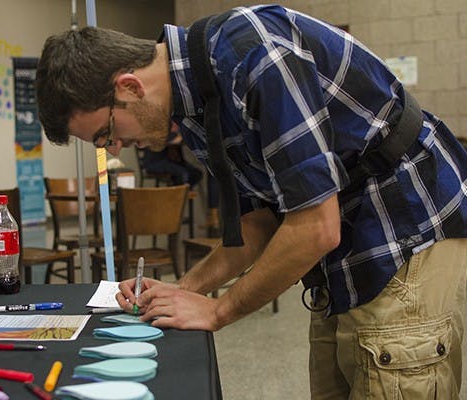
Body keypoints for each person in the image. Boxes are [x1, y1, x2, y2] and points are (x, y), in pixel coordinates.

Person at [35, 5, 467, 398]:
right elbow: (258, 224)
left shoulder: (256, 57)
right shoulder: (195, 106)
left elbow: (316, 225)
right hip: (342, 246)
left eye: (106, 134)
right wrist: (180, 291)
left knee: (389, 378)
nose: (115, 147)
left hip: (406, 225)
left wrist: (219, 309)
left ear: (129, 86)